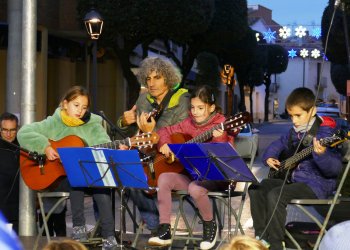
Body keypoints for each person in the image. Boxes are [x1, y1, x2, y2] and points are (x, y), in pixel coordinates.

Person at [17, 86, 118, 250]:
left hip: (88, 177)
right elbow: (24, 132)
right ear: (65, 104)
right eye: (76, 105)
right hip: (59, 179)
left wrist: (117, 148)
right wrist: (45, 147)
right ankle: (79, 228)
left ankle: (109, 236)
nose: (80, 111)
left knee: (102, 183)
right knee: (74, 176)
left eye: (84, 107)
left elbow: (103, 145)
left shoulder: (93, 125)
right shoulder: (53, 123)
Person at [248, 87, 343, 250]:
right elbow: (277, 144)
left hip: (317, 185)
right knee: (256, 187)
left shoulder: (326, 133)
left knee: (276, 194)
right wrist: (269, 157)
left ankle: (276, 245)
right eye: (291, 115)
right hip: (294, 181)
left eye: (298, 115)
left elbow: (334, 170)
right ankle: (262, 238)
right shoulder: (295, 132)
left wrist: (322, 155)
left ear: (312, 111)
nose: (294, 120)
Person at [148, 85, 234, 250]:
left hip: (216, 177)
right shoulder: (188, 123)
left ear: (212, 108)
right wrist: (165, 144)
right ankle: (165, 230)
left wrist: (220, 138)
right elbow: (165, 130)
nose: (195, 112)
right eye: (193, 107)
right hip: (192, 174)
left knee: (195, 188)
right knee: (164, 178)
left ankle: (210, 226)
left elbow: (224, 157)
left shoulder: (222, 124)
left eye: (200, 108)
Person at [117, 56, 190, 232]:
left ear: (168, 78)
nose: (151, 83)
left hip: (173, 160)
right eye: (148, 78)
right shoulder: (143, 100)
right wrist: (124, 122)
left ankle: (158, 228)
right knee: (123, 175)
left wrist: (152, 131)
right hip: (148, 158)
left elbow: (180, 136)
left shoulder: (182, 100)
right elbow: (133, 134)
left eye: (157, 77)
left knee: (137, 179)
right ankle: (156, 226)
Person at [0, 112, 20, 233]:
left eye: (12, 130)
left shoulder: (23, 148)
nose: (8, 134)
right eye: (5, 130)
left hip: (19, 211)